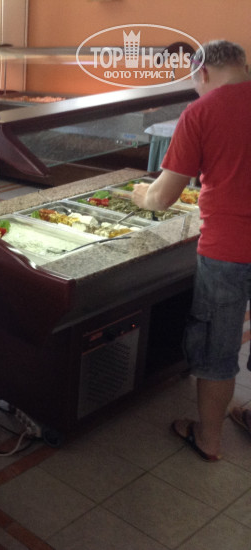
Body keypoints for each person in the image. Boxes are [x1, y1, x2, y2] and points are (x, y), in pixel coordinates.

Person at [131, 40, 251, 461]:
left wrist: (142, 195)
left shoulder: (201, 112)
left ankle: (208, 439)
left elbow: (164, 197)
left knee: (218, 348)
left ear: (202, 72)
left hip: (227, 249)